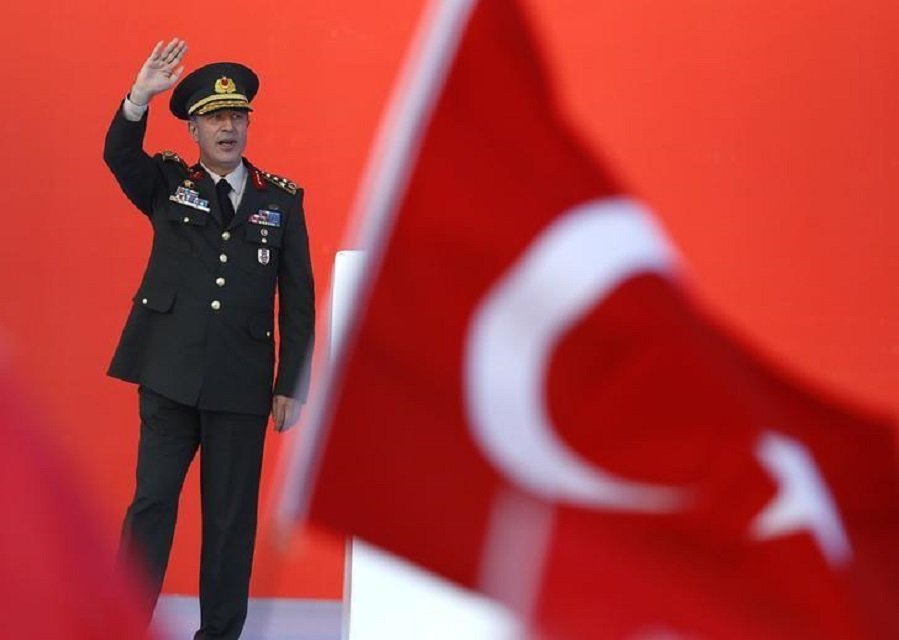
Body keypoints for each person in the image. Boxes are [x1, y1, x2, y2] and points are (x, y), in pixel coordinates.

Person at [103, 38, 315, 640]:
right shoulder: (167, 183)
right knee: (151, 507)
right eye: (216, 117)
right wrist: (138, 98)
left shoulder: (283, 201)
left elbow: (298, 298)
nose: (229, 127)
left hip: (242, 383)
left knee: (229, 522)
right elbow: (119, 153)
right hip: (168, 375)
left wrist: (290, 381)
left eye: (238, 116)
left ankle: (220, 633)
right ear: (194, 128)